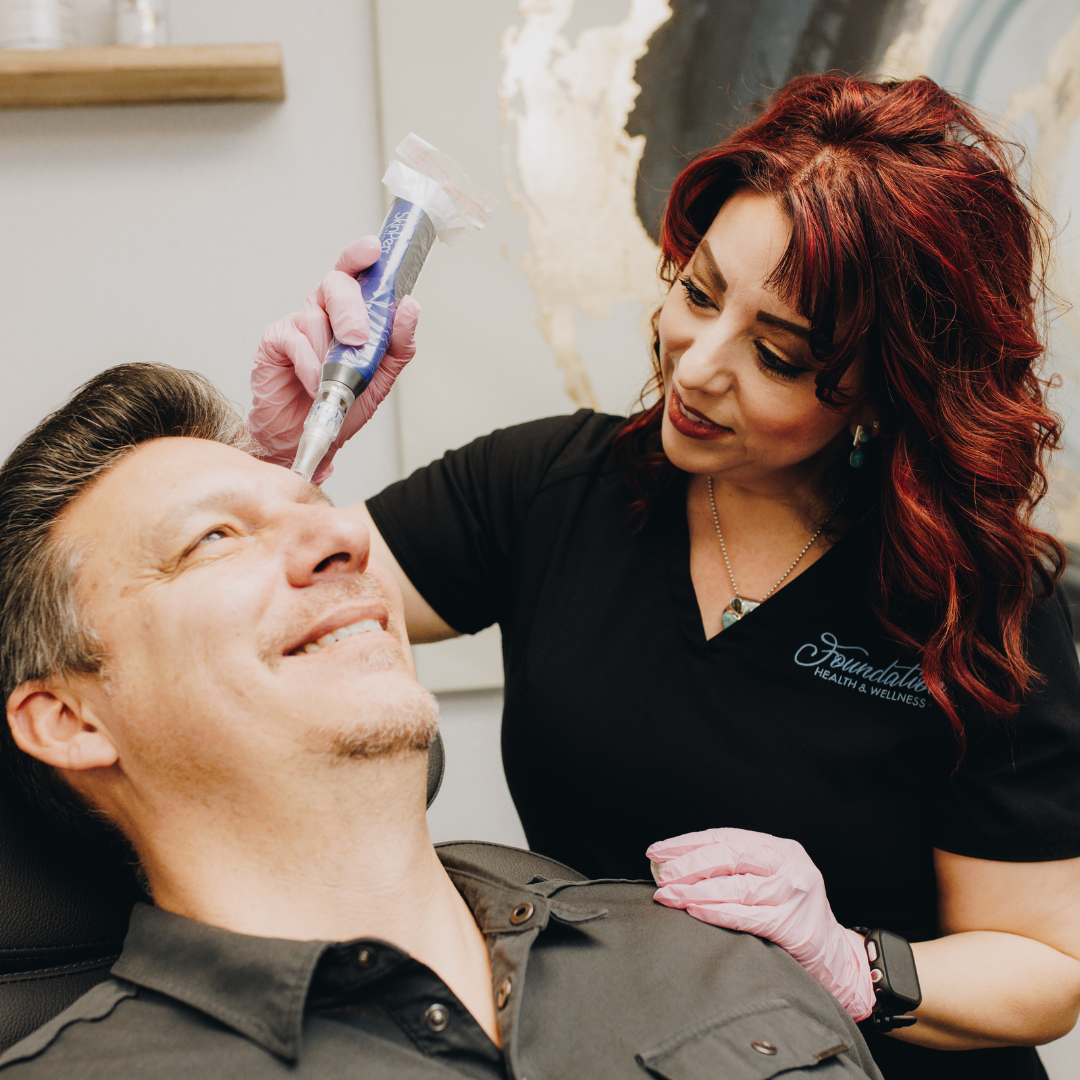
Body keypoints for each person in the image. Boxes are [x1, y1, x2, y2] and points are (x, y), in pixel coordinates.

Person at [246, 74, 1080, 1079]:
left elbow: (1044, 964)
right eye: (697, 291)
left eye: (777, 354)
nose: (695, 366)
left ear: (886, 391)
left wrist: (853, 963)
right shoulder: (548, 488)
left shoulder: (974, 599)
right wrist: (280, 462)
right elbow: (263, 614)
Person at [0, 364, 882, 1079]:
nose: (345, 542)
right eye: (215, 540)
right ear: (70, 719)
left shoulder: (720, 962)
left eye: (317, 514)